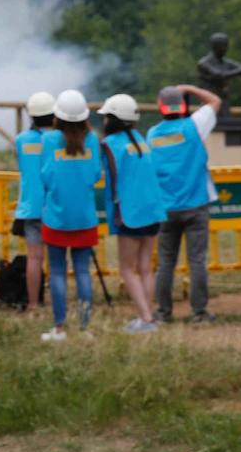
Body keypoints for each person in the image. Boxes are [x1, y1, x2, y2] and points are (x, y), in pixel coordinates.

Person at [148, 83, 222, 324]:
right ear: (183, 105)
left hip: (166, 208)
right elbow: (214, 101)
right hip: (196, 204)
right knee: (197, 261)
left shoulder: (152, 134)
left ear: (160, 107)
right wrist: (190, 87)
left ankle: (163, 313)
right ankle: (199, 312)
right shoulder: (195, 125)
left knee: (166, 263)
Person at [36, 89, 102, 342]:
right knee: (83, 272)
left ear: (58, 116)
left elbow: (45, 176)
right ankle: (85, 328)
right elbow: (96, 174)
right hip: (85, 216)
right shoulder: (93, 140)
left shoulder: (50, 140)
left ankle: (60, 328)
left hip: (56, 216)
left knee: (57, 271)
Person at [98, 94, 166, 334]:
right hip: (153, 210)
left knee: (127, 268)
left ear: (113, 119)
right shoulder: (140, 139)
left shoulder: (109, 144)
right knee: (145, 267)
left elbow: (99, 174)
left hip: (130, 212)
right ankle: (148, 316)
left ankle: (146, 319)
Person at [13, 91, 55, 313]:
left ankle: (33, 304)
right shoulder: (57, 140)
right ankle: (59, 300)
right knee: (57, 258)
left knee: (34, 258)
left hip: (30, 208)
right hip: (55, 205)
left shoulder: (21, 140)